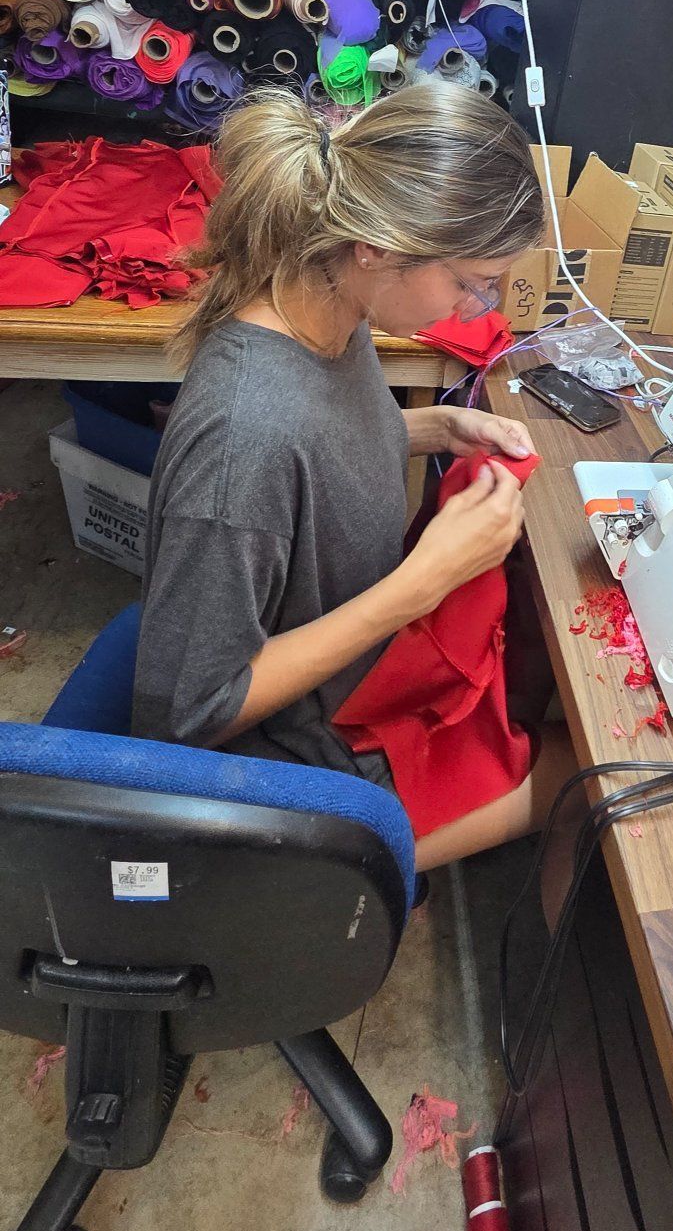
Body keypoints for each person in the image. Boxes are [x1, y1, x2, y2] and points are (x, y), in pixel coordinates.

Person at [132, 80, 577, 872]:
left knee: (537, 671)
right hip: (309, 752)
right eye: (471, 281)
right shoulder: (243, 438)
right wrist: (426, 581)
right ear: (376, 244)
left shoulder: (331, 308)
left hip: (360, 681)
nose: (482, 309)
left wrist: (437, 427)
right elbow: (187, 717)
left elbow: (315, 452)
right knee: (586, 773)